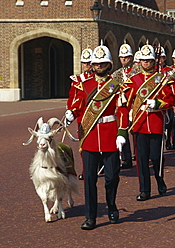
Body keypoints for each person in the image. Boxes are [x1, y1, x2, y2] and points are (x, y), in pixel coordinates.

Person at [64, 42, 130, 230]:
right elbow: (76, 105)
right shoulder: (83, 85)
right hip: (90, 136)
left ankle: (111, 205)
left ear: (109, 65)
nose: (99, 66)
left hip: (110, 136)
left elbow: (123, 110)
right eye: (96, 63)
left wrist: (122, 132)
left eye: (102, 63)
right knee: (90, 179)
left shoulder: (117, 86)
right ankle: (90, 217)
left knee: (111, 177)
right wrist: (70, 113)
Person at [125, 43, 175, 201]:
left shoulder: (161, 79)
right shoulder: (133, 80)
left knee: (156, 157)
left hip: (155, 123)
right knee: (141, 159)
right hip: (140, 124)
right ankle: (144, 189)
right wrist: (129, 113)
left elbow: (171, 99)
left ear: (154, 61)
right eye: (144, 60)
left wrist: (158, 104)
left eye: (149, 60)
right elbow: (127, 100)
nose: (146, 62)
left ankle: (160, 179)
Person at [66, 48, 95, 180]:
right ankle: (85, 169)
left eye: (89, 62)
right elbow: (72, 97)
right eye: (84, 63)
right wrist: (70, 110)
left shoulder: (98, 78)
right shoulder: (77, 79)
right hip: (81, 116)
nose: (87, 65)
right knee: (83, 145)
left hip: (95, 114)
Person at [112, 43, 139, 169]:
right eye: (122, 57)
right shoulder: (116, 74)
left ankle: (139, 155)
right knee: (122, 132)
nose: (124, 59)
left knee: (136, 133)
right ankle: (126, 159)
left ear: (131, 57)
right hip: (122, 107)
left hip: (135, 105)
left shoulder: (137, 71)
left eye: (126, 57)